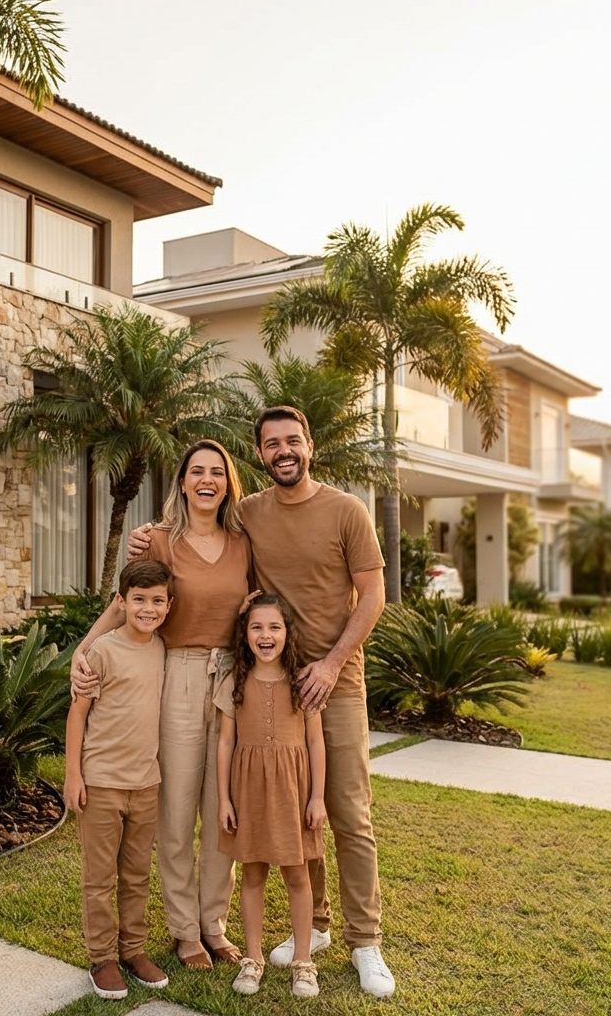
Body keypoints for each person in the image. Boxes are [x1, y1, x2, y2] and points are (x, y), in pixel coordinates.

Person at [128, 406, 395, 999]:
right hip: (266, 684)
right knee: (297, 805)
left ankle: (365, 942)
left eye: (292, 441)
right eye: (271, 443)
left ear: (310, 445)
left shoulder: (347, 510)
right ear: (260, 454)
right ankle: (317, 926)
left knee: (347, 812)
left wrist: (328, 665)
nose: (283, 451)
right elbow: (193, 522)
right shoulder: (248, 516)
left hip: (335, 682)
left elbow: (373, 595)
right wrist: (145, 536)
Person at [71, 440, 252, 970]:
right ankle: (183, 931)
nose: (207, 480)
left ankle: (213, 926)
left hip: (231, 680)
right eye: (197, 471)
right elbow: (124, 601)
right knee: (174, 813)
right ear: (181, 481)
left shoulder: (244, 542)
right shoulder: (157, 540)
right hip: (178, 676)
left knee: (224, 812)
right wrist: (83, 650)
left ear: (227, 483)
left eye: (217, 472)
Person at [63, 558, 174, 1000]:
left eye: (158, 601)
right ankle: (102, 958)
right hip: (102, 782)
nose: (148, 608)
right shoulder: (101, 651)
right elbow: (77, 715)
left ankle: (133, 950)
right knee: (99, 876)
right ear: (122, 602)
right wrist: (74, 775)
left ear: (169, 604)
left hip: (147, 783)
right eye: (139, 600)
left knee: (136, 874)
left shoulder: (163, 648)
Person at [216, 594, 326, 999]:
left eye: (274, 627)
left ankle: (303, 961)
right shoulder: (235, 682)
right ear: (245, 635)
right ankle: (253, 958)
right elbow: (225, 743)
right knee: (253, 873)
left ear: (287, 633)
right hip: (248, 791)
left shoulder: (301, 682)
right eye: (256, 627)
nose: (266, 635)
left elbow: (316, 743)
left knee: (298, 874)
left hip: (293, 791)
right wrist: (225, 800)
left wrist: (317, 797)